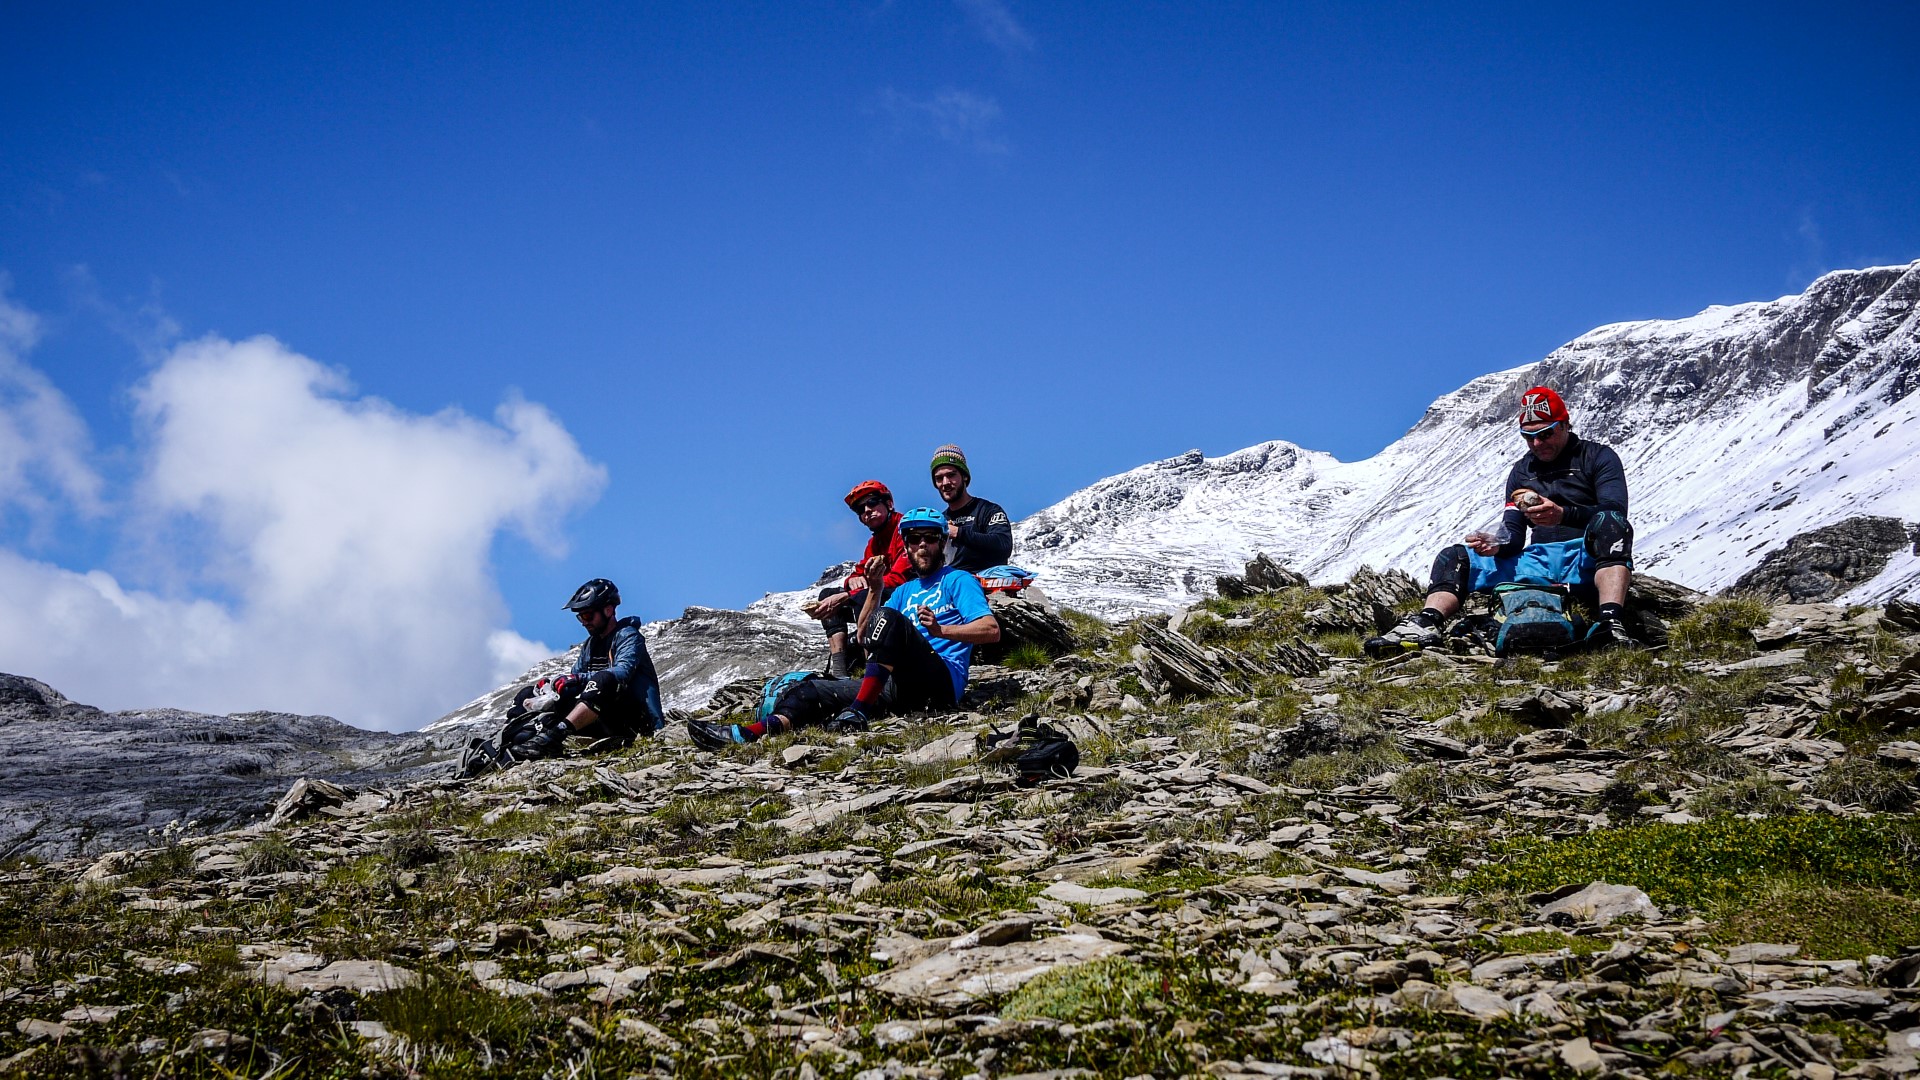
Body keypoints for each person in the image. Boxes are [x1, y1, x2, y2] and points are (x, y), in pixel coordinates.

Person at [690, 507, 1000, 748]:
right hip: (898, 686)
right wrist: (876, 589)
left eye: (931, 538)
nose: (922, 546)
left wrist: (941, 632)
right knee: (810, 689)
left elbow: (990, 630)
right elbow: (866, 636)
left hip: (940, 683)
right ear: (905, 546)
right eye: (915, 539)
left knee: (891, 621)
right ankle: (748, 734)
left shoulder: (958, 580)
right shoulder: (904, 591)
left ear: (942, 542)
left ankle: (859, 712)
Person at [1365, 386, 1639, 655]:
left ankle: (1609, 622)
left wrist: (1563, 515)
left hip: (1585, 556)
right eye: (1528, 437)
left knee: (1612, 523)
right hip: (1537, 560)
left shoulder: (1598, 457)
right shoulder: (1522, 471)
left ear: (1565, 425)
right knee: (1455, 557)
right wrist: (1497, 544)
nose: (1537, 444)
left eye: (1545, 434)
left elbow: (1615, 510)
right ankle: (1427, 622)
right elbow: (1514, 533)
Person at [509, 578, 667, 758]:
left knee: (604, 679)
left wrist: (579, 679)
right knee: (529, 692)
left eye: (588, 615)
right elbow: (575, 677)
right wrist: (554, 685)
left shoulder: (628, 636)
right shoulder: (591, 644)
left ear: (608, 610)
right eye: (580, 617)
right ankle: (510, 742)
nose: (584, 622)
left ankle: (552, 738)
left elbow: (622, 671)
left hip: (631, 721)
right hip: (601, 716)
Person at [807, 480, 913, 677]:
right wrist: (852, 582)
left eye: (872, 503)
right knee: (827, 594)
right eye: (860, 509)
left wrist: (850, 594)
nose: (866, 511)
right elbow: (859, 570)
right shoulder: (873, 542)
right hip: (882, 592)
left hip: (906, 594)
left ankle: (870, 668)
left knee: (863, 597)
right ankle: (839, 669)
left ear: (889, 504)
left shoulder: (905, 529)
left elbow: (899, 579)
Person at [929, 444, 1014, 573]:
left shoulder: (988, 511)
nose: (945, 483)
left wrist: (958, 533)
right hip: (947, 587)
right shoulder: (940, 521)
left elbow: (1003, 545)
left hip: (985, 587)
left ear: (964, 476)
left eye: (951, 475)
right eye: (939, 478)